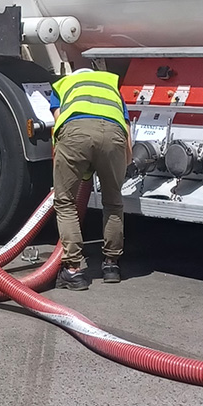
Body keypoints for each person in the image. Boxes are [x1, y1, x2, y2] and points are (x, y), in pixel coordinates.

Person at [50, 63, 132, 288]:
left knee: (65, 201)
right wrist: (124, 162)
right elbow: (125, 126)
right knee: (113, 202)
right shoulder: (110, 85)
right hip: (114, 135)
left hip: (76, 131)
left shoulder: (64, 85)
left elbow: (60, 123)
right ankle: (111, 265)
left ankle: (73, 270)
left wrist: (74, 165)